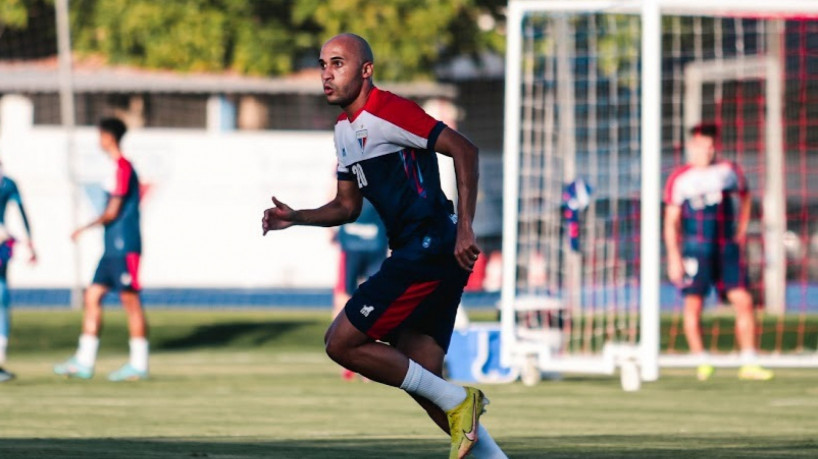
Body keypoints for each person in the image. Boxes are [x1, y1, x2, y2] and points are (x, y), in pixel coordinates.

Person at [262, 34, 506, 459]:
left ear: (366, 70)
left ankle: (459, 400)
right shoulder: (343, 132)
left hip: (430, 246)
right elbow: (346, 206)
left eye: (338, 63)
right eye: (322, 64)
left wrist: (466, 227)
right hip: (427, 251)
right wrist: (296, 216)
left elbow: (464, 149)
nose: (326, 73)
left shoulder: (390, 110)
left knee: (340, 342)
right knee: (423, 375)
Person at [664, 123, 773, 381]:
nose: (708, 150)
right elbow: (671, 221)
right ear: (691, 147)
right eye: (703, 145)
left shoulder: (728, 172)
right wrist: (673, 255)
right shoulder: (680, 179)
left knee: (744, 301)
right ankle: (701, 360)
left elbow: (746, 198)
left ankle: (749, 361)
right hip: (696, 249)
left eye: (712, 145)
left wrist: (742, 230)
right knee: (694, 305)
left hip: (726, 249)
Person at [54, 117, 149, 382]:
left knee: (130, 301)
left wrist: (83, 228)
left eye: (100, 135)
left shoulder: (123, 166)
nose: (98, 140)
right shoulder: (113, 168)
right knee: (92, 296)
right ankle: (84, 361)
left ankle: (139, 364)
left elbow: (113, 212)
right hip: (111, 248)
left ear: (108, 137)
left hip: (126, 245)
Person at [332, 197, 387, 381]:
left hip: (370, 238)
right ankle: (353, 358)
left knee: (372, 299)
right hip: (360, 239)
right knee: (358, 297)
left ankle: (362, 359)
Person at [0, 164, 37, 383]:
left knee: (2, 299)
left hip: (2, 246)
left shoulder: (9, 184)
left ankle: (0, 359)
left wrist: (29, 241)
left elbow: (22, 211)